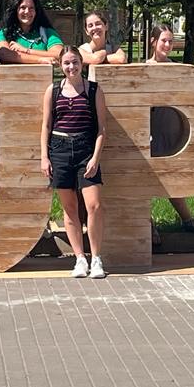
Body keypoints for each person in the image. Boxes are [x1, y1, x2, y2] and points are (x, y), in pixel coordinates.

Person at [40, 46, 109, 278]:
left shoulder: (94, 90)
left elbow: (102, 129)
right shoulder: (54, 90)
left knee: (94, 206)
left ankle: (96, 258)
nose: (71, 67)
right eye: (67, 63)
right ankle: (80, 258)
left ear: (82, 63)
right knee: (69, 210)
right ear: (61, 66)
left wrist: (96, 158)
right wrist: (44, 156)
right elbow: (46, 126)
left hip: (85, 150)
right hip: (59, 150)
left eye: (75, 62)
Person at [146, 25, 194, 236]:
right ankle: (148, 224)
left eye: (170, 41)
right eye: (163, 40)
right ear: (154, 42)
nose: (167, 45)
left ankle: (187, 219)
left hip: (173, 126)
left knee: (171, 175)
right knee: (149, 177)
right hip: (152, 126)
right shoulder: (144, 68)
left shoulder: (177, 69)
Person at [0, 0, 63, 65]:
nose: (27, 11)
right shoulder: (5, 33)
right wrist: (40, 60)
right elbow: (4, 54)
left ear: (36, 11)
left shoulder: (48, 33)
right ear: (16, 10)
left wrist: (26, 50)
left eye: (31, 8)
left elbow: (59, 54)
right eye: (23, 7)